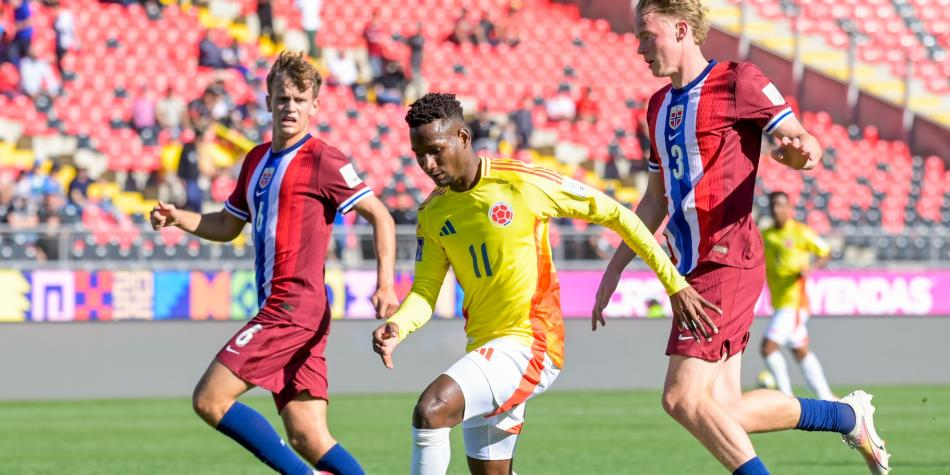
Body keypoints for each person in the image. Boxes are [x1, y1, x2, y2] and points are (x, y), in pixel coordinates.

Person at [591, 2, 889, 474]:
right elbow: (654, 201)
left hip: (725, 260)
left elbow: (806, 144)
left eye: (647, 35)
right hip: (690, 268)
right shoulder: (657, 106)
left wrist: (796, 156)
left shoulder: (737, 80)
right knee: (721, 409)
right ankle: (848, 416)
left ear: (682, 29)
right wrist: (615, 267)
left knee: (680, 397)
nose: (639, 47)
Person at [371, 93, 713, 475]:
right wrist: (398, 325)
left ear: (463, 138)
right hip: (485, 349)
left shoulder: (522, 183)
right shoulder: (434, 213)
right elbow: (424, 292)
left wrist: (673, 283)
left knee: (431, 409)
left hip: (530, 343)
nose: (427, 164)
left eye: (436, 150)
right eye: (419, 155)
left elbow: (618, 215)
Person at [149, 51, 398, 475]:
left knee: (210, 399)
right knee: (307, 435)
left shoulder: (324, 159)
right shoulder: (255, 160)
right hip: (289, 309)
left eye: (300, 100)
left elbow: (381, 215)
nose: (290, 107)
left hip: (293, 306)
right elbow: (228, 224)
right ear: (268, 101)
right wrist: (180, 219)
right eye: (283, 98)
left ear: (315, 106)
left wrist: (386, 284)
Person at [760, 191, 835, 400]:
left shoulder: (801, 233)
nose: (777, 210)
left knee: (768, 348)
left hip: (794, 303)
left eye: (781, 205)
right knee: (800, 351)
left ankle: (785, 397)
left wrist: (811, 267)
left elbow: (826, 252)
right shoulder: (767, 235)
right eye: (773, 206)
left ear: (789, 208)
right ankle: (826, 396)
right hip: (780, 301)